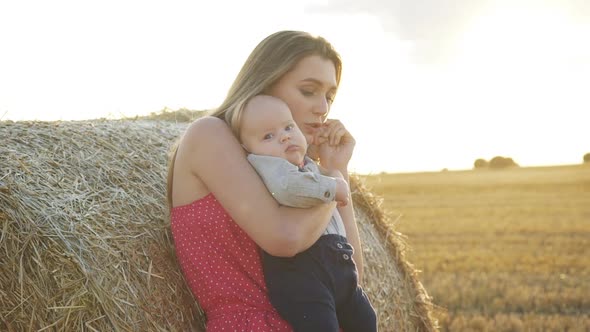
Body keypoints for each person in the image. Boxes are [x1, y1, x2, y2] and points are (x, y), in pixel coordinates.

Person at [168, 30, 370, 331]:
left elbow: (348, 274)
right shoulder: (209, 135)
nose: (323, 108)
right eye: (308, 91)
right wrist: (330, 182)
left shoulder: (299, 169)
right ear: (265, 84)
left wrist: (335, 167)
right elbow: (284, 237)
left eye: (329, 96)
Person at [233, 94, 377, 331]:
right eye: (269, 136)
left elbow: (330, 183)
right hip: (302, 274)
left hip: (338, 264)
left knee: (366, 320)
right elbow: (290, 188)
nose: (285, 136)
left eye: (289, 127)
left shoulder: (307, 165)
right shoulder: (271, 169)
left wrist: (334, 167)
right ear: (249, 150)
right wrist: (333, 185)